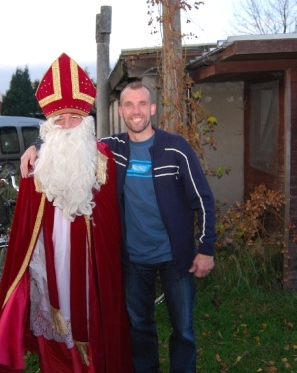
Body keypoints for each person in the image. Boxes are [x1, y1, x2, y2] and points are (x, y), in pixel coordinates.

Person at [21, 81, 217, 373]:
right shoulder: (112, 149)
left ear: (152, 108)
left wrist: (206, 249)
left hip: (176, 258)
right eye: (129, 105)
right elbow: (70, 138)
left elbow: (202, 198)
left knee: (183, 330)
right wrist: (37, 146)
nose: (135, 111)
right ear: (121, 110)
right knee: (140, 327)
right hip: (134, 260)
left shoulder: (176, 148)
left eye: (141, 104)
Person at [0, 53, 133, 373]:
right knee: (54, 306)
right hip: (52, 254)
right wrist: (33, 147)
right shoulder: (38, 161)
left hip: (89, 259)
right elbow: (29, 221)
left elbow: (110, 221)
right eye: (60, 118)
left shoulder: (103, 159)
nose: (68, 125)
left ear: (86, 119)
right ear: (50, 124)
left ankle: (91, 364)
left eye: (75, 117)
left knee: (89, 310)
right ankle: (58, 364)